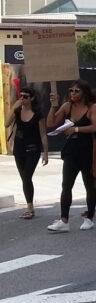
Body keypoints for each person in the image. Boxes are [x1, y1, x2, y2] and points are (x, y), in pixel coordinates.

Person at [46, 80, 96, 232]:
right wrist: (53, 105)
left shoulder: (93, 107)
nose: (73, 93)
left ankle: (89, 217)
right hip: (71, 151)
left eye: (77, 91)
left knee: (89, 185)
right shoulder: (67, 106)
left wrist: (76, 129)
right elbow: (51, 123)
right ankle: (64, 220)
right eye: (71, 91)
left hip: (88, 150)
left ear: (84, 92)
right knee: (66, 185)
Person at [6, 87, 47, 219]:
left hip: (33, 148)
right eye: (21, 96)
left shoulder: (38, 114)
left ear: (31, 99)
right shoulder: (17, 111)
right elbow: (7, 124)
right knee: (24, 177)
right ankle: (30, 206)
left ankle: (30, 208)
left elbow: (43, 134)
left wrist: (45, 152)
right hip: (19, 148)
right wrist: (13, 108)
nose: (22, 99)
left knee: (27, 176)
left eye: (25, 97)